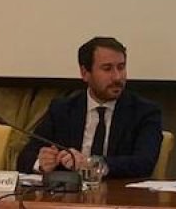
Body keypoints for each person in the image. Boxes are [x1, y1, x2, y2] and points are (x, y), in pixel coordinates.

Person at [15, 37, 164, 180]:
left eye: (121, 67)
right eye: (107, 69)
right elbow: (25, 158)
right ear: (85, 73)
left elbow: (144, 163)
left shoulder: (145, 112)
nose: (117, 77)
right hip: (69, 194)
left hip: (119, 194)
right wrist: (42, 163)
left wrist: (91, 164)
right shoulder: (62, 109)